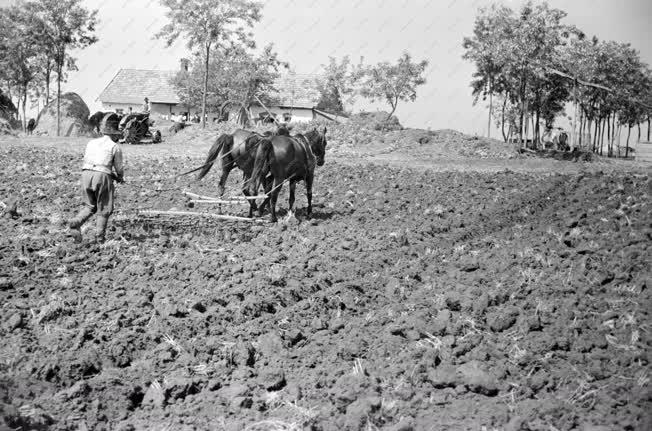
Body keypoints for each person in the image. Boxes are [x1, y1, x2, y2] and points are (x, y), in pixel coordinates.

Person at [67, 121, 124, 243]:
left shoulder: (91, 142)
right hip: (102, 176)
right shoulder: (115, 147)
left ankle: (76, 222)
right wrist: (120, 177)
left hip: (86, 174)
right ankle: (100, 239)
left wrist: (109, 174)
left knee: (90, 205)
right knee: (104, 207)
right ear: (114, 135)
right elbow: (118, 167)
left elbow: (94, 163)